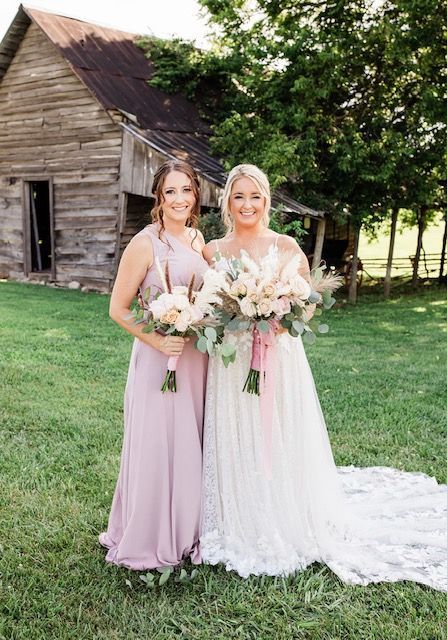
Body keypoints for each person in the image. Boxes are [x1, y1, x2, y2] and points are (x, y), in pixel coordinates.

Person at [200, 163, 447, 591]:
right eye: (239, 196)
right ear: (226, 201)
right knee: (238, 432)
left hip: (279, 356)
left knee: (280, 432)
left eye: (255, 196)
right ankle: (241, 512)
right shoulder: (213, 250)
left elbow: (306, 300)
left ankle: (284, 510)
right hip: (233, 359)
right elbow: (208, 303)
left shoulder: (285, 244)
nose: (247, 204)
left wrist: (278, 316)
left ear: (266, 200)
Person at [99, 160, 208, 570]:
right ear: (158, 199)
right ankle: (148, 535)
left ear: (195, 196)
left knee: (189, 443)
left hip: (196, 358)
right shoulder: (145, 243)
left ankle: (187, 530)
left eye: (186, 191)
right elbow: (118, 309)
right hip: (159, 358)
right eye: (170, 192)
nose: (179, 199)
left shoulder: (199, 239)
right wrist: (159, 339)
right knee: (159, 443)